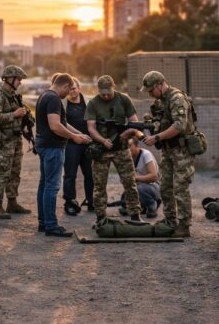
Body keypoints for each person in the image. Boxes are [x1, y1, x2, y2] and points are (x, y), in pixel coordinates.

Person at [141, 71, 197, 237]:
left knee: (180, 187)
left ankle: (184, 225)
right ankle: (170, 220)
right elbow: (163, 122)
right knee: (165, 186)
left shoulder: (176, 98)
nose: (150, 94)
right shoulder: (161, 100)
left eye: (151, 90)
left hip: (181, 150)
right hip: (167, 150)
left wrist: (157, 137)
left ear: (160, 85)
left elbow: (179, 125)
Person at [35, 73, 92, 237]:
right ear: (65, 85)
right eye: (69, 89)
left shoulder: (44, 95)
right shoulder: (54, 99)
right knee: (52, 186)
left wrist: (79, 134)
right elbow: (55, 126)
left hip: (44, 145)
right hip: (52, 148)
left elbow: (62, 123)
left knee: (44, 184)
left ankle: (43, 222)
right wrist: (73, 137)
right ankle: (51, 225)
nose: (69, 93)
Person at [85, 75, 143, 223]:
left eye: (108, 93)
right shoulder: (93, 103)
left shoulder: (124, 100)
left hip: (121, 149)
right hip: (101, 150)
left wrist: (127, 134)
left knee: (130, 182)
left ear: (114, 87)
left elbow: (134, 122)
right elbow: (91, 128)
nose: (105, 96)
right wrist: (102, 140)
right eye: (102, 93)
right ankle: (100, 217)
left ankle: (135, 215)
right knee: (99, 185)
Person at [0, 65, 33, 219]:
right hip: (5, 140)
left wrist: (26, 117)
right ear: (9, 78)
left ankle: (12, 202)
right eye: (18, 79)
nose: (20, 82)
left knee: (14, 172)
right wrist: (15, 114)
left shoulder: (14, 96)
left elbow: (20, 116)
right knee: (2, 172)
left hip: (16, 139)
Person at [62, 77, 94, 215]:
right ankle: (70, 202)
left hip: (88, 143)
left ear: (79, 88)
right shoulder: (63, 103)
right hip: (71, 143)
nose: (72, 91)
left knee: (90, 174)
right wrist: (78, 135)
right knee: (70, 175)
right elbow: (62, 122)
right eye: (69, 89)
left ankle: (91, 200)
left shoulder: (88, 102)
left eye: (74, 88)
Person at [122, 136, 161, 218]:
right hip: (139, 186)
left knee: (140, 189)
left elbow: (154, 176)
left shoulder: (146, 155)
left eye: (130, 146)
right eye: (126, 146)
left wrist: (136, 178)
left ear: (137, 146)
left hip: (153, 186)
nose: (127, 149)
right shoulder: (127, 158)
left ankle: (152, 204)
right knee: (124, 198)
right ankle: (141, 208)